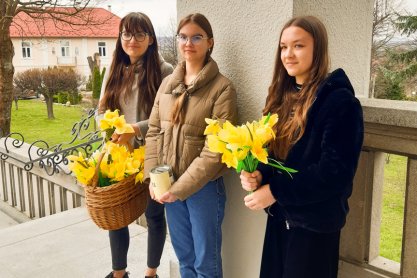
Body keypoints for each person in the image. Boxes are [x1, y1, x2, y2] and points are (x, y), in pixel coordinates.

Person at [240, 15, 364, 278]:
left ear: (317, 49)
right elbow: (276, 156)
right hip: (280, 220)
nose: (288, 54)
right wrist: (259, 173)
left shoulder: (340, 102)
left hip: (314, 228)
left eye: (298, 46)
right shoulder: (280, 97)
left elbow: (334, 174)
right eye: (284, 47)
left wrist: (274, 190)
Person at [144, 13, 238, 278]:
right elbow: (153, 132)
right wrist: (154, 178)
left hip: (203, 191)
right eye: (183, 37)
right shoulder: (167, 85)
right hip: (168, 185)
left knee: (205, 264)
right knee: (184, 259)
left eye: (196, 37)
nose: (189, 43)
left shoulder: (223, 89)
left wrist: (180, 189)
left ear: (210, 42)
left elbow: (215, 151)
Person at [98, 12, 173, 278]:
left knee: (154, 215)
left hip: (154, 155)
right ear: (120, 38)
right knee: (116, 216)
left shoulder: (165, 71)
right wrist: (113, 131)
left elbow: (168, 118)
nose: (132, 40)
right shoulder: (114, 69)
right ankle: (119, 273)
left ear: (151, 39)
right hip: (121, 156)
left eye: (140, 34)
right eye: (127, 34)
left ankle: (151, 273)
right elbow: (101, 111)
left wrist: (135, 130)